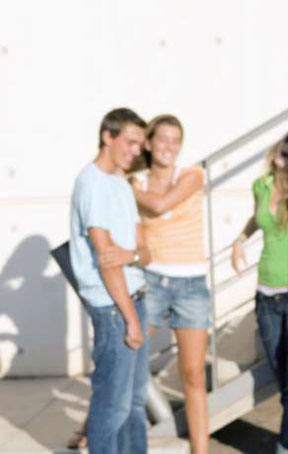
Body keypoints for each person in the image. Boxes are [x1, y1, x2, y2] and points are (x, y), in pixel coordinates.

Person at [230, 129, 288, 454]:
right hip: (266, 298)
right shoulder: (262, 185)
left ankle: (285, 447)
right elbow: (259, 217)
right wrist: (240, 239)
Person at [125, 114, 211, 454]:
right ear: (148, 142)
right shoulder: (137, 180)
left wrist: (129, 189)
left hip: (191, 285)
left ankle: (200, 451)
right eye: (162, 139)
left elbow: (162, 204)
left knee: (192, 374)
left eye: (176, 140)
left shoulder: (191, 175)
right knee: (125, 360)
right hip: (152, 283)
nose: (169, 147)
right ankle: (93, 428)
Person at [69, 107, 152, 454]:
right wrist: (131, 319)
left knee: (134, 403)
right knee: (112, 405)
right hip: (115, 310)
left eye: (139, 144)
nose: (137, 151)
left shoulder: (120, 183)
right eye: (131, 142)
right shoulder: (91, 183)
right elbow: (107, 261)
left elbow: (146, 251)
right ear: (108, 136)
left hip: (136, 298)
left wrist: (132, 255)